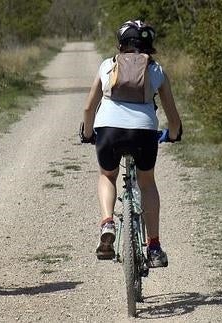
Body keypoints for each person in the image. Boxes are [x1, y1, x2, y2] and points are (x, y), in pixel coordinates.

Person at [80, 20, 182, 268]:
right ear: (149, 45)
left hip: (109, 131)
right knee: (147, 183)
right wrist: (174, 133)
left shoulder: (108, 65)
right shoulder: (156, 70)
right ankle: (155, 247)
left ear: (121, 44)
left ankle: (108, 223)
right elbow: (172, 114)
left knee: (107, 175)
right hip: (144, 133)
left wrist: (88, 132)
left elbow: (88, 107)